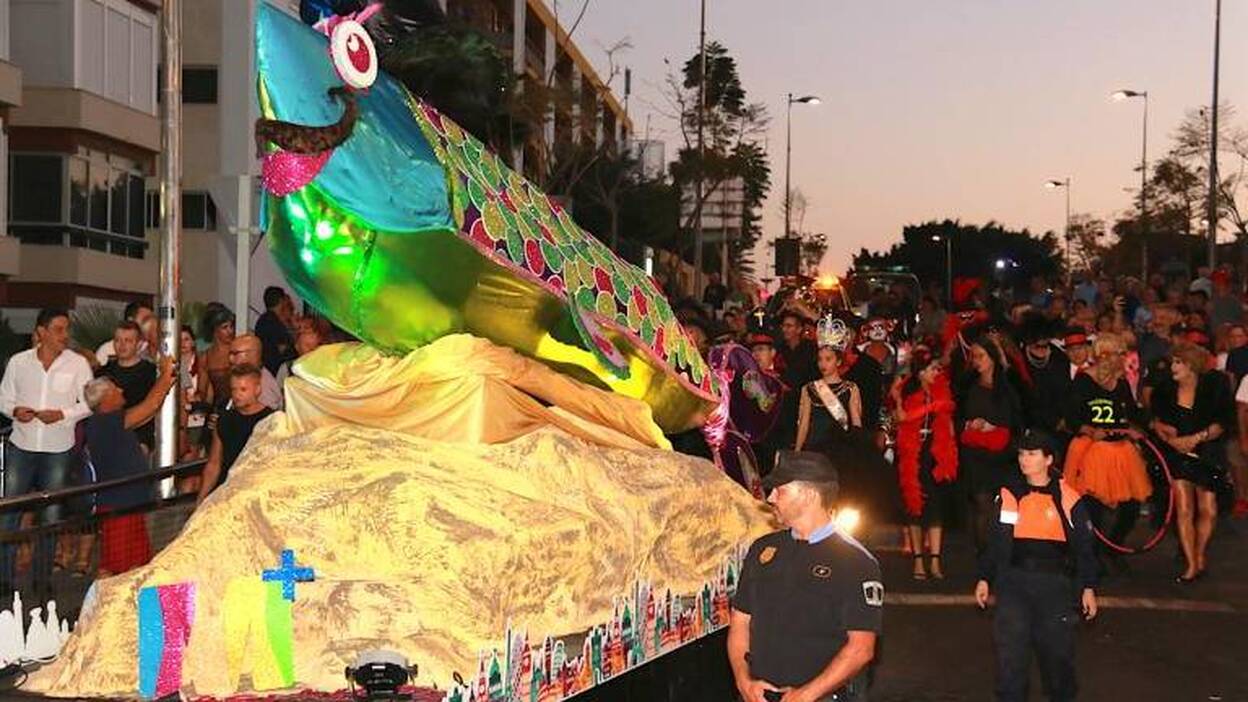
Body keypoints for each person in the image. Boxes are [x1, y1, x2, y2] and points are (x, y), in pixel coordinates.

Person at [729, 450, 881, 702]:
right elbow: (740, 621)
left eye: (780, 490)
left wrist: (805, 696)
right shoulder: (763, 549)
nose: (770, 497)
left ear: (809, 495)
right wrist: (744, 681)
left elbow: (861, 649)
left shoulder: (855, 562)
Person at [975, 430, 1099, 702]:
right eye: (1021, 454)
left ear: (1048, 459)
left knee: (1057, 658)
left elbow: (1084, 547)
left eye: (1032, 454)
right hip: (1014, 583)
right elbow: (996, 541)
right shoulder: (1009, 495)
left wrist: (1088, 586)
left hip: (1055, 586)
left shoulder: (1067, 497)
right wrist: (985, 577)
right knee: (1011, 659)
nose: (1024, 460)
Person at [0, 308, 94, 591]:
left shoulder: (77, 364)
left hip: (58, 449)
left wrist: (62, 414)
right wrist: (15, 410)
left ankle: (42, 582)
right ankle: (4, 580)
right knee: (9, 513)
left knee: (52, 515)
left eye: (67, 329)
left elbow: (90, 403)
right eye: (58, 329)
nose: (65, 335)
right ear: (41, 331)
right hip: (22, 445)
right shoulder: (19, 362)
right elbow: (4, 398)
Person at [82, 356, 178, 576]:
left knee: (134, 563)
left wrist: (166, 383)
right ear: (106, 398)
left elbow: (150, 412)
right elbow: (149, 406)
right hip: (119, 505)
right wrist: (165, 374)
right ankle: (105, 598)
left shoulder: (107, 423)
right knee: (116, 566)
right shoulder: (105, 421)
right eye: (115, 389)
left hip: (128, 503)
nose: (121, 390)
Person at [1150, 342, 1234, 582]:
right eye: (1173, 362)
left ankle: (1199, 554)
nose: (1173, 367)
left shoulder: (1215, 385)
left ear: (1191, 365)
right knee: (1184, 509)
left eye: (1178, 363)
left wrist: (1196, 438)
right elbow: (1156, 422)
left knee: (1209, 510)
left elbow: (1223, 422)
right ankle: (1191, 564)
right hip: (1178, 456)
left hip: (1207, 453)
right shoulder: (1165, 389)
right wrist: (1170, 438)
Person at [892, 348, 957, 580]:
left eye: (937, 369)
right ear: (921, 372)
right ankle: (919, 560)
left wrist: (950, 451)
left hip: (935, 451)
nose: (936, 372)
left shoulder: (942, 390)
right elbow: (900, 417)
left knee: (935, 505)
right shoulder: (906, 389)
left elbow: (948, 422)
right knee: (914, 505)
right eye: (932, 369)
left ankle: (936, 560)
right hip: (913, 452)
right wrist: (927, 406)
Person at [958, 335, 1023, 551]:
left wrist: (992, 427)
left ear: (993, 357)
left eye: (981, 356)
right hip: (976, 455)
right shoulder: (968, 386)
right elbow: (956, 418)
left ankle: (1000, 553)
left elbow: (1016, 421)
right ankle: (983, 555)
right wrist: (970, 425)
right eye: (974, 357)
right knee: (982, 504)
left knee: (1002, 507)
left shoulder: (1007, 387)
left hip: (1001, 455)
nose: (976, 361)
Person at [197, 365, 277, 504]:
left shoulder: (271, 420)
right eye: (234, 389)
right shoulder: (224, 419)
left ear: (257, 390)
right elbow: (214, 463)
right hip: (226, 491)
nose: (237, 394)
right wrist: (201, 498)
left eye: (243, 389)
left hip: (257, 491)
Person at [97, 321, 158, 450]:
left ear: (139, 344)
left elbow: (154, 407)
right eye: (118, 340)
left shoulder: (151, 372)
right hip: (107, 437)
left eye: (128, 340)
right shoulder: (103, 373)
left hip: (139, 439)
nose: (122, 345)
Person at [228, 334, 283, 410]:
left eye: (235, 354)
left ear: (252, 354)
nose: (230, 359)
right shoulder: (252, 377)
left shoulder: (264, 385)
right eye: (229, 354)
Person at [198, 304, 237, 411]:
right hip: (218, 409)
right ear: (214, 330)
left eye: (231, 326)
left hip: (239, 407)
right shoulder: (205, 357)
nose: (230, 331)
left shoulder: (237, 350)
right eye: (225, 327)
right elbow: (203, 391)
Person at [95, 300, 156, 367]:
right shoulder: (107, 350)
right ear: (130, 320)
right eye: (145, 320)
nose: (150, 324)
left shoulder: (152, 347)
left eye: (151, 320)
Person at [255, 286, 297, 376]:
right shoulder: (272, 321)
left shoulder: (265, 319)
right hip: (275, 371)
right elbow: (284, 348)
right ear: (281, 301)